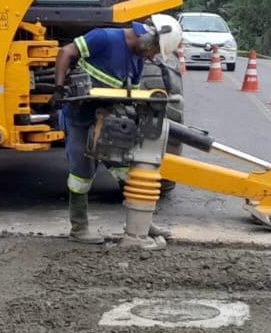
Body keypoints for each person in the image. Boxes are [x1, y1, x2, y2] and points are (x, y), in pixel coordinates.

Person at [53, 14, 182, 249]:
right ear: (148, 36)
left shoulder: (138, 59)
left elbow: (129, 94)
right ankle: (79, 227)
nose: (152, 56)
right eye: (154, 49)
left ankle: (141, 223)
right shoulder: (104, 38)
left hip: (109, 119)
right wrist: (59, 88)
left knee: (128, 170)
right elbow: (66, 52)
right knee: (81, 175)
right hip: (80, 117)